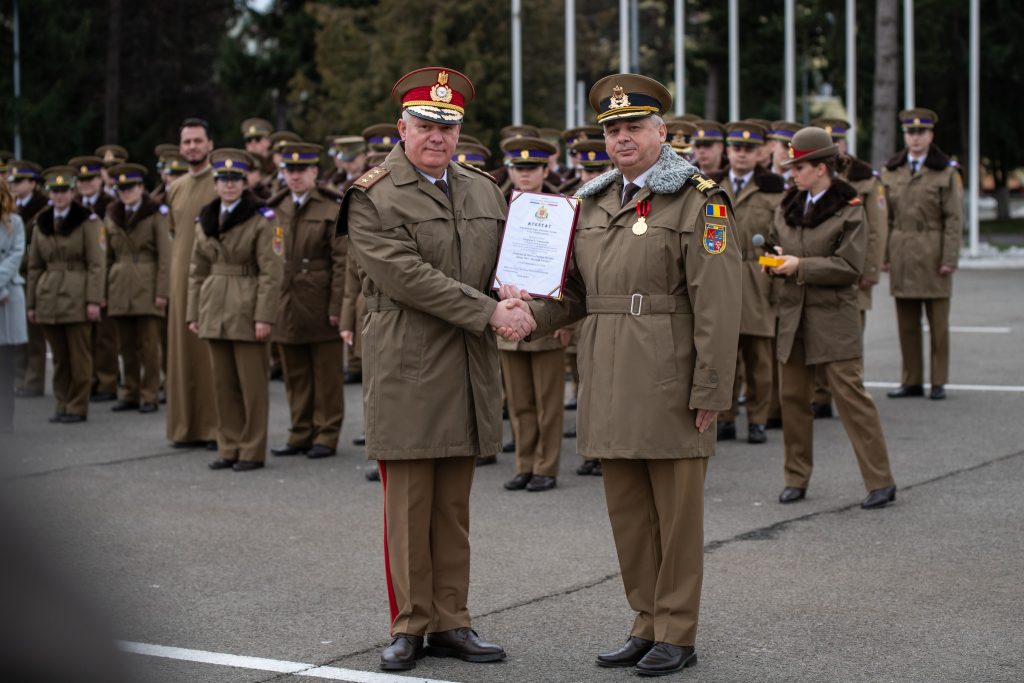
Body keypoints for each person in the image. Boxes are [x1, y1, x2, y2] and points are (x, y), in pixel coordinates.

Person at [499, 73, 741, 676]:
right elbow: (575, 295)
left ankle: (677, 632)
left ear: (662, 131)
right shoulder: (591, 202)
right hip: (606, 373)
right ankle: (646, 622)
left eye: (634, 126)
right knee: (629, 513)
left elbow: (718, 304)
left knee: (676, 517)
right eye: (612, 130)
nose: (622, 138)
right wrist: (526, 314)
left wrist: (712, 387)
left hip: (669, 375)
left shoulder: (700, 200)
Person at [339, 66, 527, 672]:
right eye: (424, 124)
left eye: (447, 127)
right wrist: (490, 311)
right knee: (409, 505)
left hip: (468, 364)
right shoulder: (372, 196)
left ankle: (452, 621)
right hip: (408, 362)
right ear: (402, 128)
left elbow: (504, 265)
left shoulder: (484, 190)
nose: (437, 136)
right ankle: (410, 625)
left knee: (452, 506)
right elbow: (407, 278)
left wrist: (519, 292)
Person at [767, 127, 897, 510]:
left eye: (799, 167)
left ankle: (880, 481)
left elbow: (849, 266)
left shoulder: (850, 207)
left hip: (834, 319)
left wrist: (799, 265)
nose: (792, 173)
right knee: (793, 400)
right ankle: (795, 478)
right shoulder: (788, 204)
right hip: (793, 316)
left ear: (821, 168)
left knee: (852, 400)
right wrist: (774, 260)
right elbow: (776, 240)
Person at [187, 149, 283, 472]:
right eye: (223, 179)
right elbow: (196, 270)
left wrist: (264, 316)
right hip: (214, 305)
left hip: (247, 305)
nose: (229, 185)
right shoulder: (206, 218)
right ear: (215, 183)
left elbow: (271, 272)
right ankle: (228, 446)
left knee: (252, 386)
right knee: (223, 385)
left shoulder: (261, 218)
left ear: (244, 183)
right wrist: (193, 313)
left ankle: (251, 450)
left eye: (235, 179)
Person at [266, 142, 347, 460]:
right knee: (295, 373)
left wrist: (337, 306)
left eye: (301, 170)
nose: (295, 176)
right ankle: (300, 431)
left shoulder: (330, 207)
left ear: (315, 172)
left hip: (319, 299)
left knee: (326, 374)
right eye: (290, 170)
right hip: (286, 300)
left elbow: (342, 262)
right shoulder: (275, 207)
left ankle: (326, 433)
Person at [807, 118, 890, 418]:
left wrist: (869, 271)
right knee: (817, 334)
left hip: (853, 269)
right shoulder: (811, 176)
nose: (834, 147)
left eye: (837, 141)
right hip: (820, 268)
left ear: (844, 144)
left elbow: (876, 230)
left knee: (849, 338)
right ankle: (821, 396)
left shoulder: (865, 178)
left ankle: (850, 395)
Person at [496, 137, 565, 493]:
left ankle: (546, 466)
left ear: (545, 170)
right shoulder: (498, 206)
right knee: (519, 401)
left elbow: (573, 270)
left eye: (532, 168)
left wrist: (567, 322)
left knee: (547, 403)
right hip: (507, 314)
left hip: (548, 316)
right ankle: (524, 464)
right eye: (519, 168)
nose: (525, 175)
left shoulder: (564, 209)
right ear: (509, 170)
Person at [881, 108, 963, 401]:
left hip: (933, 251)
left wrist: (949, 258)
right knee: (907, 324)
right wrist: (884, 255)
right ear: (905, 136)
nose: (915, 138)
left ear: (931, 135)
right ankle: (911, 380)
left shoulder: (945, 171)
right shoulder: (892, 170)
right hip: (902, 250)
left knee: (938, 325)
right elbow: (886, 218)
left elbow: (954, 218)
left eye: (920, 132)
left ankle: (938, 381)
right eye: (910, 133)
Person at [713, 121, 784, 445]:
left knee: (759, 359)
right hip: (721, 278)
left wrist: (774, 282)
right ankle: (725, 418)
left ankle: (757, 419)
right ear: (728, 151)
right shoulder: (711, 186)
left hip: (758, 279)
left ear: (760, 153)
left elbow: (778, 241)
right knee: (725, 356)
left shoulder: (773, 189)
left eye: (749, 149)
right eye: (737, 148)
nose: (742, 154)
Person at [25, 167, 106, 423]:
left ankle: (77, 405)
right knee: (60, 358)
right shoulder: (42, 222)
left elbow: (96, 264)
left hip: (77, 293)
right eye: (55, 191)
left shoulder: (87, 221)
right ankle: (62, 402)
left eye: (64, 191)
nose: (59, 196)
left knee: (79, 356)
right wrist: (31, 303)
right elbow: (34, 266)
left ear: (72, 192)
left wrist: (93, 300)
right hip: (48, 294)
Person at [166, 118, 219, 448]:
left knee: (210, 357)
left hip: (212, 279)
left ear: (210, 144)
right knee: (182, 356)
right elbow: (174, 232)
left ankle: (215, 429)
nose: (192, 147)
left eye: (198, 141)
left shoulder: (222, 182)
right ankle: (184, 427)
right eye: (187, 142)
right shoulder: (175, 187)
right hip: (179, 280)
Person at [103, 163, 171, 413]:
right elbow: (106, 257)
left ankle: (149, 393)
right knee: (126, 345)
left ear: (141, 188)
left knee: (149, 345)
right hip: (120, 284)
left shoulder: (155, 213)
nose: (126, 193)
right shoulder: (112, 214)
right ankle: (130, 392)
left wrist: (162, 292)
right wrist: (103, 292)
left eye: (130, 188)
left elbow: (165, 256)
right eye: (122, 189)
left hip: (147, 281)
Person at [70, 156, 119, 402]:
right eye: (81, 180)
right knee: (83, 337)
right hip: (79, 277)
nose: (86, 184)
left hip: (105, 272)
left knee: (105, 336)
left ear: (100, 180)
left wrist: (105, 288)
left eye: (90, 179)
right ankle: (87, 381)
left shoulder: (111, 205)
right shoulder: (73, 205)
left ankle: (108, 382)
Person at [7, 161, 48, 398]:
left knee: (34, 333)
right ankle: (19, 377)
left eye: (19, 181)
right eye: (12, 181)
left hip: (32, 274)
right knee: (16, 331)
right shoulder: (11, 207)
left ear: (33, 183)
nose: (14, 185)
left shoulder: (43, 207)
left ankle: (34, 380)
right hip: (16, 275)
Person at [0, 179, 28, 431]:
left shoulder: (14, 222)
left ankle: (5, 418)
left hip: (7, 298)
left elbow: (15, 256)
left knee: (6, 366)